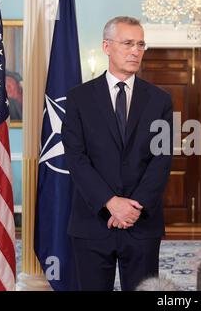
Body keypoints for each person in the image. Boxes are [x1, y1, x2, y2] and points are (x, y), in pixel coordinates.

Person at [62, 16, 173, 291]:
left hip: (141, 222)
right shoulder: (79, 98)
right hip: (92, 221)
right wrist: (110, 202)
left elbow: (162, 160)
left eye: (140, 44)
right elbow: (76, 158)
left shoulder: (160, 100)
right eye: (127, 43)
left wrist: (133, 207)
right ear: (106, 46)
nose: (136, 50)